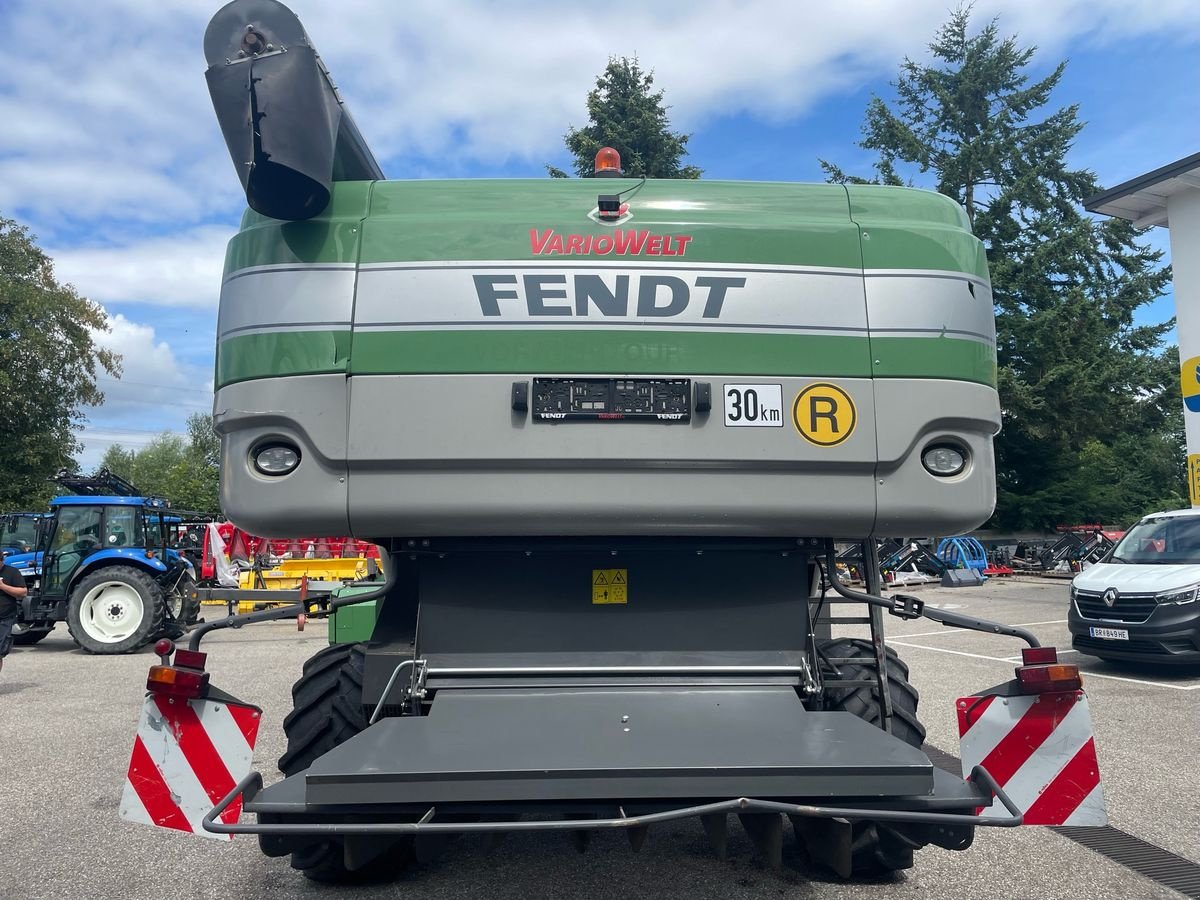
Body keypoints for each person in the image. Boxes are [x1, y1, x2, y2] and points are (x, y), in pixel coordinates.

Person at [0, 549, 30, 674]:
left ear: (1, 560)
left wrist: (2, 586)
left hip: (4, 618)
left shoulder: (12, 572)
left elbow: (23, 592)